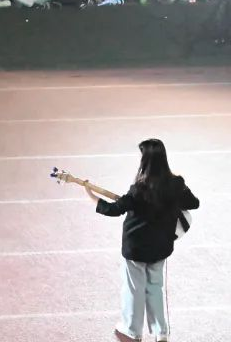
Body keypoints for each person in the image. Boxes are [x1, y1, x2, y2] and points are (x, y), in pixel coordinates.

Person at [85, 139, 199, 342]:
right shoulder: (176, 184)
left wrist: (90, 194)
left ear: (144, 161)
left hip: (136, 248)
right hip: (161, 246)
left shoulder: (138, 189)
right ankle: (160, 332)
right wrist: (176, 189)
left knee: (134, 289)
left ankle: (132, 331)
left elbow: (113, 209)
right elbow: (194, 203)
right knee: (155, 288)